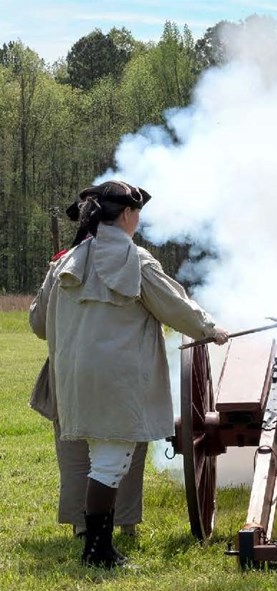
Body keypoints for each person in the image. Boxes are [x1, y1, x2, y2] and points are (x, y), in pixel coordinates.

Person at [29, 180, 229, 568]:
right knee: (111, 462)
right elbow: (175, 307)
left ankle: (94, 542)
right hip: (117, 380)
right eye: (137, 214)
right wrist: (211, 329)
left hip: (70, 379)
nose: (138, 220)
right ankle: (97, 552)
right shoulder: (136, 260)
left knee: (91, 458)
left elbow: (38, 324)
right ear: (126, 214)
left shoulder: (65, 261)